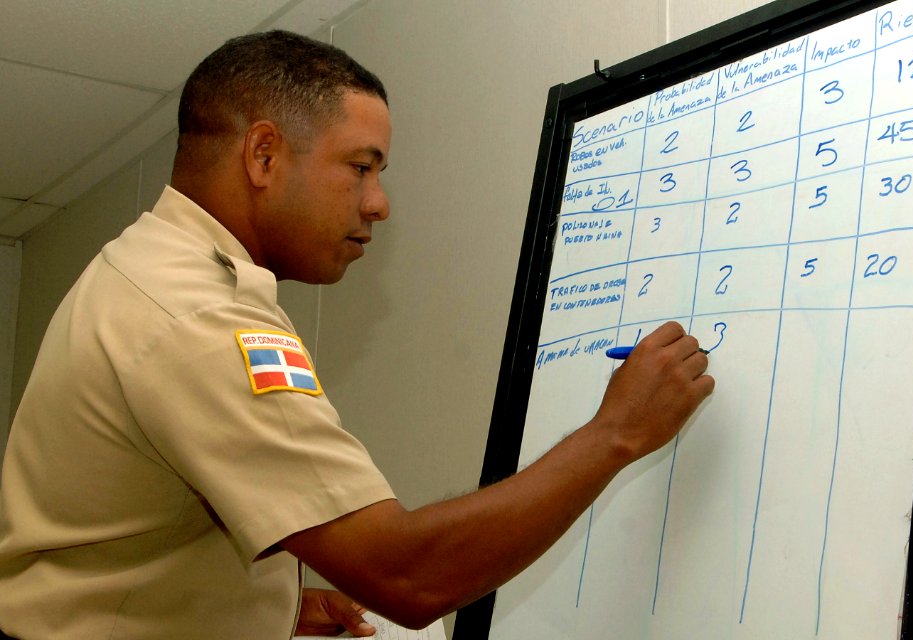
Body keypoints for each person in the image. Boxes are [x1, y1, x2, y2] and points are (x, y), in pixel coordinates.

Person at [0, 30, 714, 639]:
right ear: (264, 156)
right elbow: (409, 577)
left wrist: (263, 609)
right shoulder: (200, 320)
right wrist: (615, 432)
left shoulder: (149, 270)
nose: (379, 204)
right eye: (361, 167)